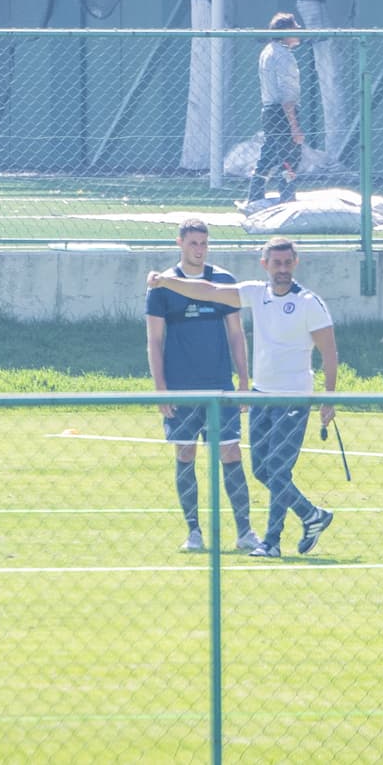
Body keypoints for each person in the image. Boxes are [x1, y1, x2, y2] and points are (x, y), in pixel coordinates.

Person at [147, 237, 337, 559]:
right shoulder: (255, 293)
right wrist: (166, 281)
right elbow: (208, 291)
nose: (282, 269)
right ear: (265, 265)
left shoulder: (309, 302)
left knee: (277, 468)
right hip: (262, 396)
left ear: (296, 263)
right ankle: (311, 514)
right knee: (262, 470)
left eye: (287, 263)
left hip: (293, 399)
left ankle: (271, 542)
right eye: (276, 263)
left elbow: (329, 354)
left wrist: (328, 399)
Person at [146, 218, 259, 553]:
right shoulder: (161, 286)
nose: (199, 249)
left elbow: (236, 334)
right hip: (181, 387)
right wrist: (161, 387)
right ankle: (194, 532)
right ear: (179, 243)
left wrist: (243, 379)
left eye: (204, 243)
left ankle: (245, 532)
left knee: (230, 451)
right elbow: (154, 339)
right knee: (185, 451)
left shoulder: (223, 281)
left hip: (219, 387)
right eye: (193, 243)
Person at [247, 12, 304, 205]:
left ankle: (254, 196)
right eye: (295, 27)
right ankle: (287, 197)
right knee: (289, 156)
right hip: (282, 112)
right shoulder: (283, 56)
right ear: (285, 31)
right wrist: (294, 125)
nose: (299, 31)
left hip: (269, 110)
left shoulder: (267, 51)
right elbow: (287, 94)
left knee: (269, 154)